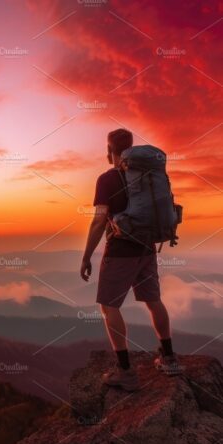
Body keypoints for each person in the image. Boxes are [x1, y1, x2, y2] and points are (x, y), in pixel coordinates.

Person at [80, 128, 180, 392]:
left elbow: (100, 219)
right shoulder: (148, 176)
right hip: (147, 248)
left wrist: (87, 255)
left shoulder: (107, 179)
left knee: (109, 306)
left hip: (121, 251)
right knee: (153, 300)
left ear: (109, 150)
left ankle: (125, 371)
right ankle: (169, 359)